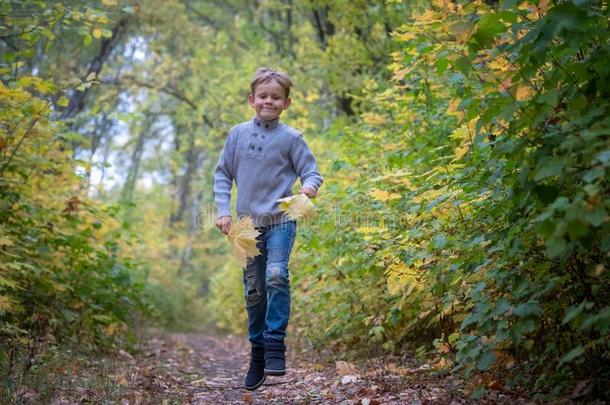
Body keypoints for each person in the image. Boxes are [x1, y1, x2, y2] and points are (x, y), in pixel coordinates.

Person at [213, 68, 324, 390]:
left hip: (281, 220)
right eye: (263, 96)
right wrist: (223, 211)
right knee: (253, 290)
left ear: (286, 103)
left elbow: (312, 173)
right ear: (251, 100)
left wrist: (310, 188)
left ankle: (275, 343)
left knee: (276, 274)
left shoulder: (292, 138)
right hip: (247, 227)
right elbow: (222, 175)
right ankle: (257, 353)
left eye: (276, 97)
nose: (268, 101)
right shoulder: (237, 134)